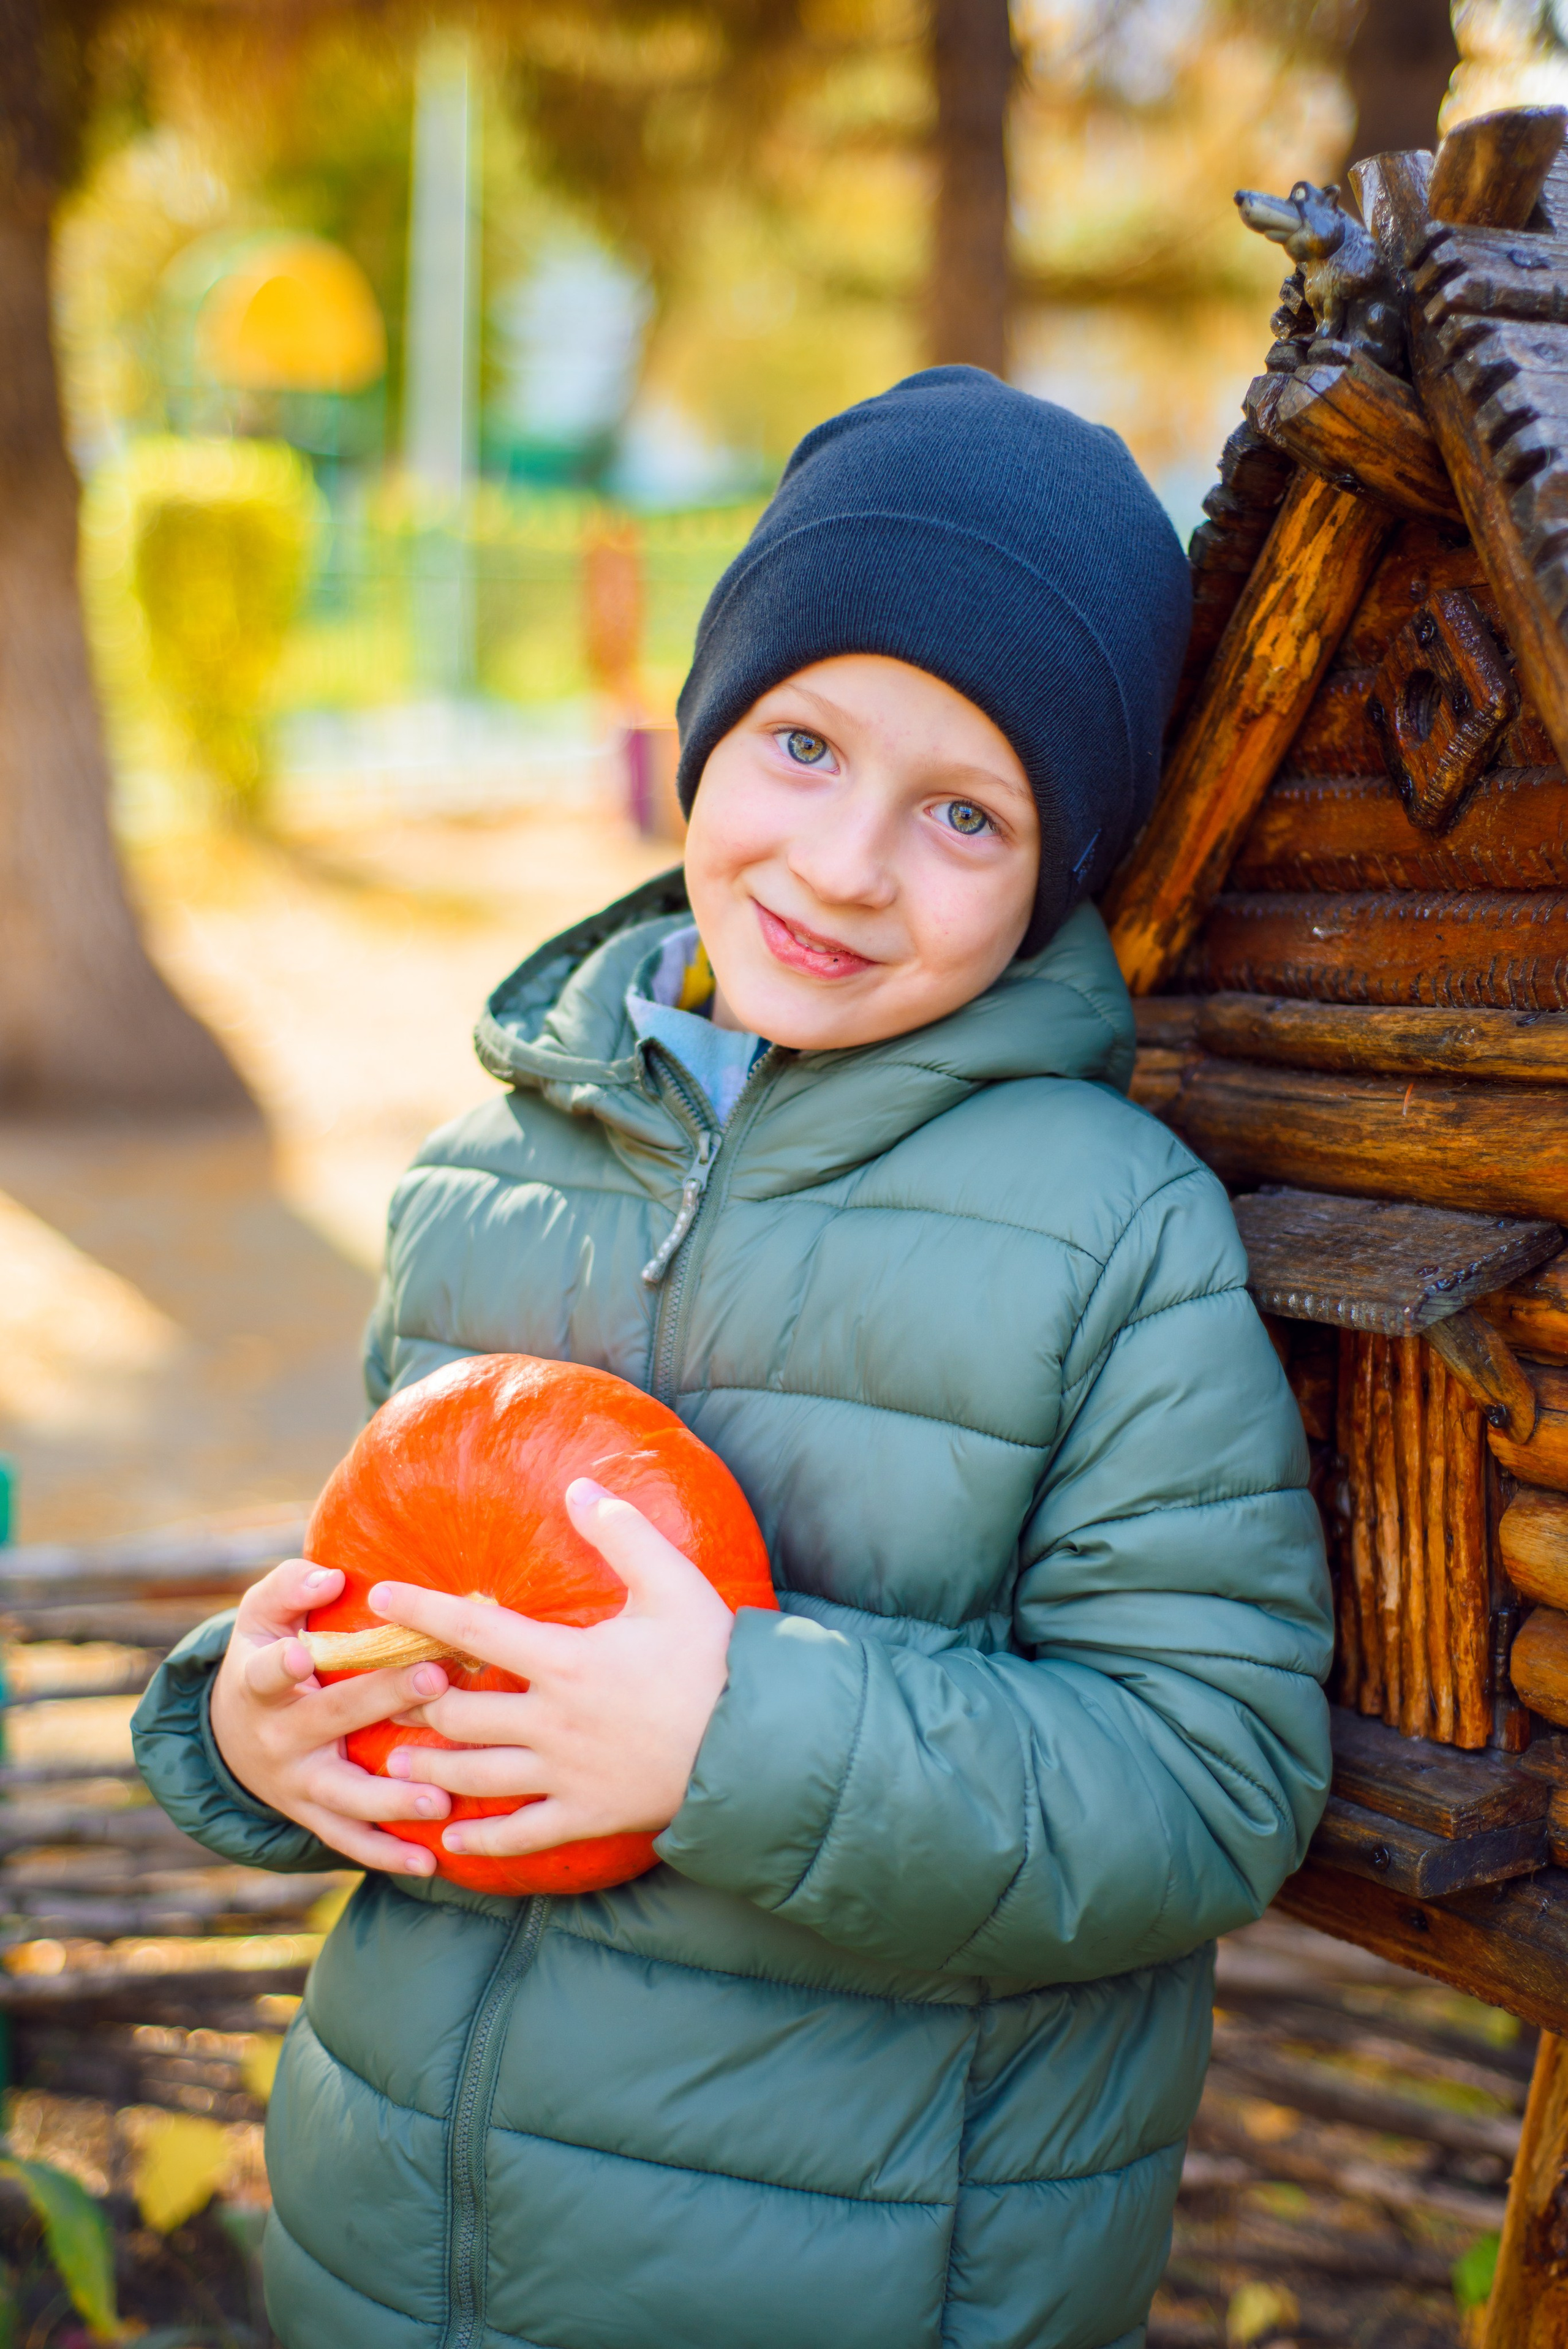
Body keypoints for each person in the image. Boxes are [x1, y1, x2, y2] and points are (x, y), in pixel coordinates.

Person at [133, 366, 1332, 2349]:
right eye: (801, 742)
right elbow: (400, 1593)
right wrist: (259, 1722)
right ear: (704, 726)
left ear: (1069, 861)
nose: (849, 862)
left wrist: (732, 1737)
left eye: (967, 809)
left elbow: (1210, 1776)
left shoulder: (1112, 1234)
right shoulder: (485, 1170)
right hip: (389, 2242)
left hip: (850, 2272)